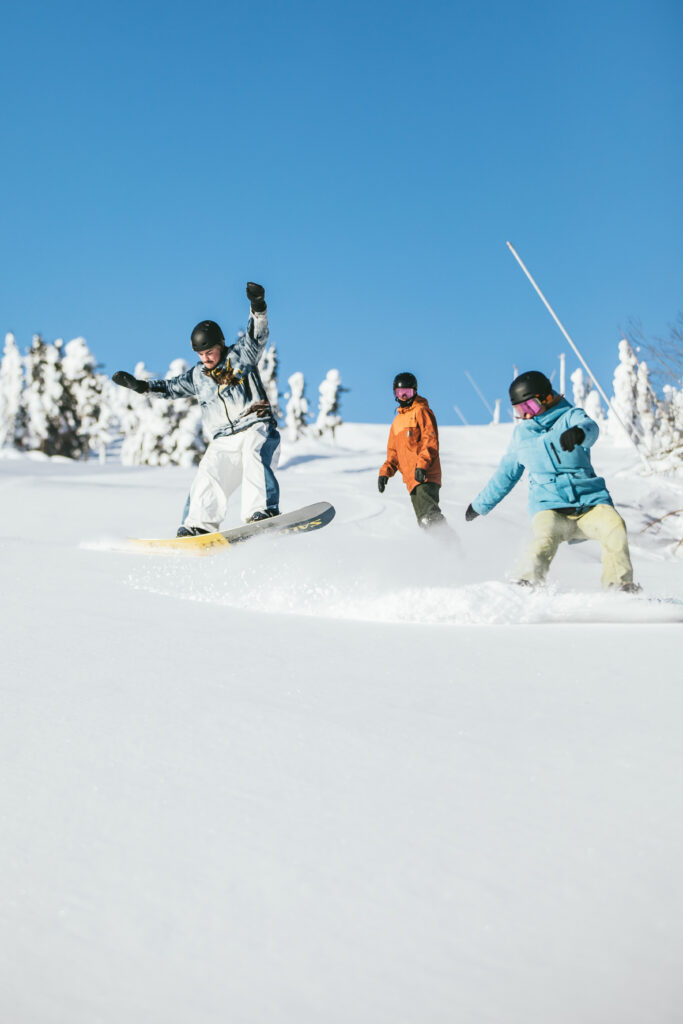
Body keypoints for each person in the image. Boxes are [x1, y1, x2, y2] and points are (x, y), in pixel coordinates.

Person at [112, 282, 281, 536]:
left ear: (221, 345)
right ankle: (198, 526)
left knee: (254, 455)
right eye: (201, 354)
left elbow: (257, 334)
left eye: (210, 352)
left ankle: (263, 512)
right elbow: (171, 388)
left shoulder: (241, 356)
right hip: (223, 439)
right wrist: (141, 386)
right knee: (208, 473)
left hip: (255, 426)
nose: (206, 358)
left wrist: (258, 306)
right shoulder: (198, 376)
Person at [464, 369, 640, 591]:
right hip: (550, 506)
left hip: (590, 503)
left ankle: (619, 585)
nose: (526, 415)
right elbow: (506, 474)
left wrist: (579, 433)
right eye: (520, 410)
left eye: (530, 407)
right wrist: (480, 505)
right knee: (544, 536)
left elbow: (591, 429)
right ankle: (525, 584)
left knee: (614, 526)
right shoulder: (521, 436)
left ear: (547, 397)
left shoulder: (571, 416)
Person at [378, 372, 447, 529]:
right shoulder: (397, 422)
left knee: (429, 518)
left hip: (425, 476)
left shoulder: (421, 411)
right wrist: (385, 473)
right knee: (424, 522)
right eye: (399, 393)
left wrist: (422, 466)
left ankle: (455, 548)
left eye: (407, 393)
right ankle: (445, 549)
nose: (403, 397)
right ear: (394, 394)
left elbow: (430, 441)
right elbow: (393, 453)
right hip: (412, 481)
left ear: (415, 392)